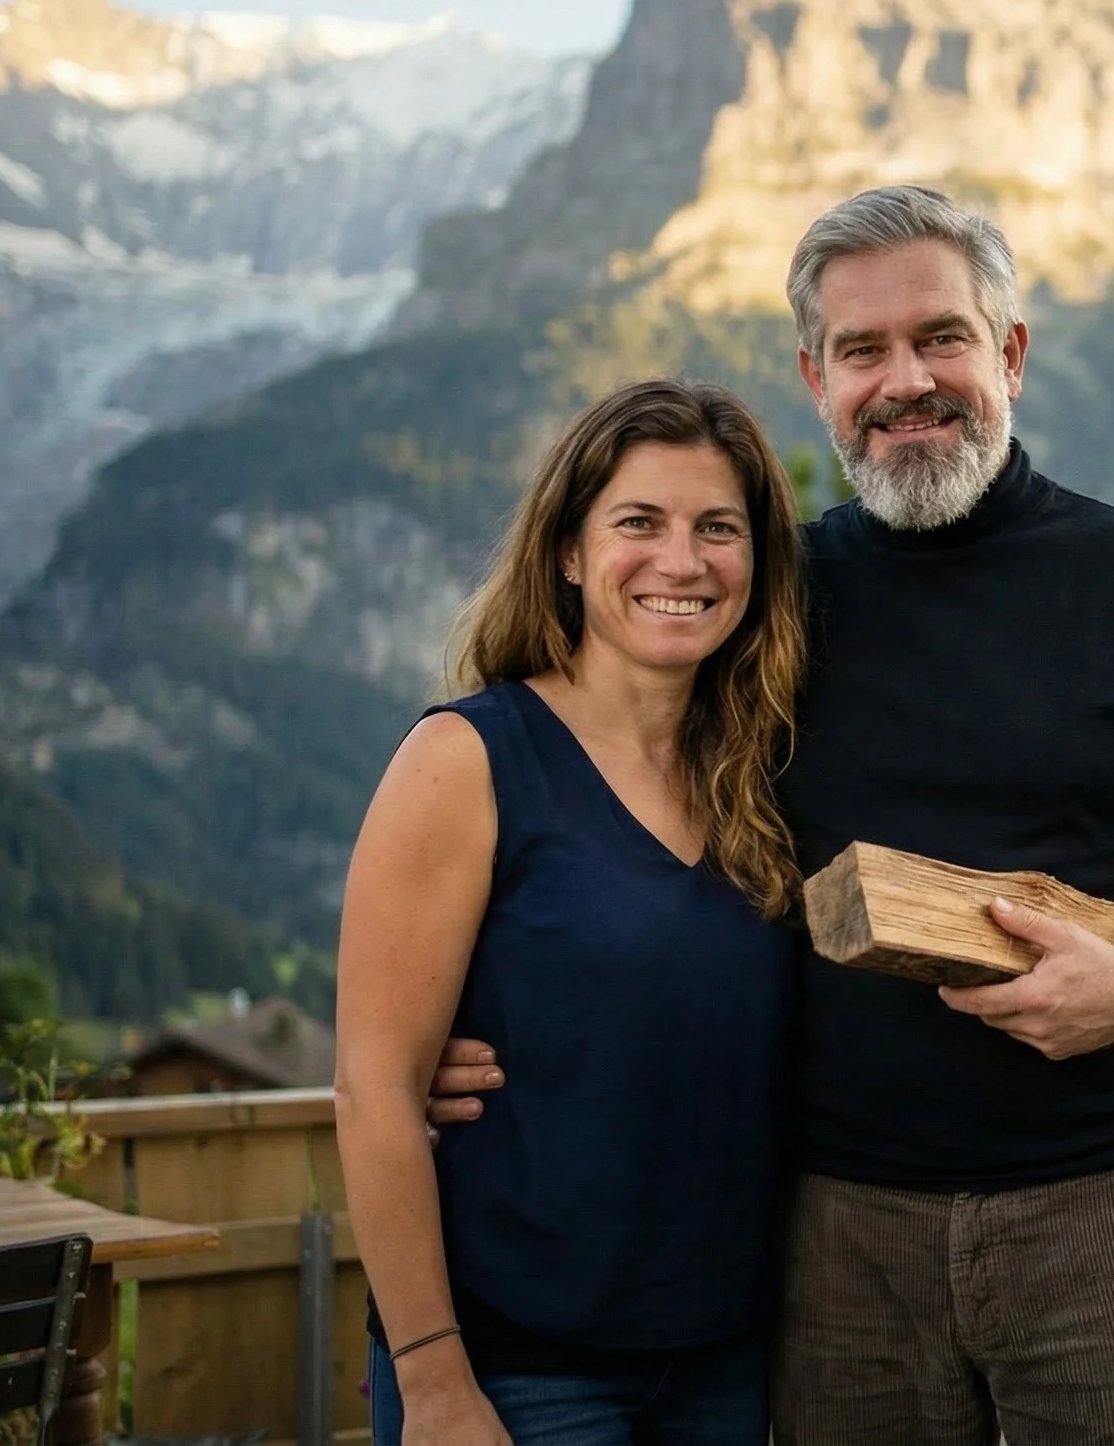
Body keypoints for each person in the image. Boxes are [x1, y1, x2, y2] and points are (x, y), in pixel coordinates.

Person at [430, 186, 1114, 1444]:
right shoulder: (766, 600)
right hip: (834, 1232)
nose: (905, 381)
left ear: (1009, 353)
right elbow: (608, 797)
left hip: (1107, 1204)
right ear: (817, 379)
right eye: (862, 349)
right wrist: (483, 1029)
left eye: (940, 337)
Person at [336, 380, 810, 1445]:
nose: (681, 561)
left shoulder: (768, 774)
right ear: (567, 552)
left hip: (725, 1366)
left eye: (718, 528)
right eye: (638, 523)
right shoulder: (467, 760)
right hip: (517, 1369)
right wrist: (434, 1380)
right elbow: (375, 1088)